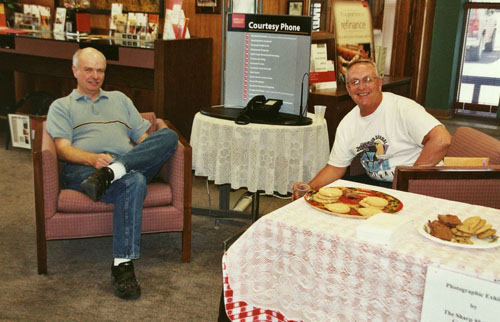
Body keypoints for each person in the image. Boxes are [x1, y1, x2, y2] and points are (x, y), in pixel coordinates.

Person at [46, 47, 179, 300]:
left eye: (100, 70)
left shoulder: (120, 99)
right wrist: (92, 160)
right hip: (84, 170)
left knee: (169, 136)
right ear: (75, 71)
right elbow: (62, 150)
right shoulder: (62, 106)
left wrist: (131, 160)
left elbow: (143, 139)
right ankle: (122, 265)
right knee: (136, 180)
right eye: (88, 70)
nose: (95, 76)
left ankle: (114, 172)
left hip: (124, 163)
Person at [293, 59, 451, 198]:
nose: (361, 87)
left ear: (379, 83)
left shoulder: (403, 108)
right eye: (354, 82)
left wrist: (410, 179)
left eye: (367, 80)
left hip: (417, 185)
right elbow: (335, 168)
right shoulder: (348, 123)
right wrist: (310, 187)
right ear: (348, 89)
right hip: (378, 186)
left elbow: (442, 139)